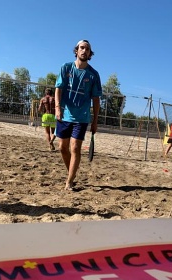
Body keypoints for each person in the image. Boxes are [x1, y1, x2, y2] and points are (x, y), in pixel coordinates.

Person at [55, 40, 102, 191]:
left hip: (81, 118)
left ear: (90, 53)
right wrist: (57, 107)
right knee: (63, 147)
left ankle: (69, 182)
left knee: (75, 148)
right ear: (76, 50)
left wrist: (95, 121)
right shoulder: (66, 67)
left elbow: (96, 100)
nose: (84, 51)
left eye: (87, 49)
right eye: (82, 48)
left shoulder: (93, 75)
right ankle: (72, 172)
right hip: (64, 115)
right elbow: (58, 89)